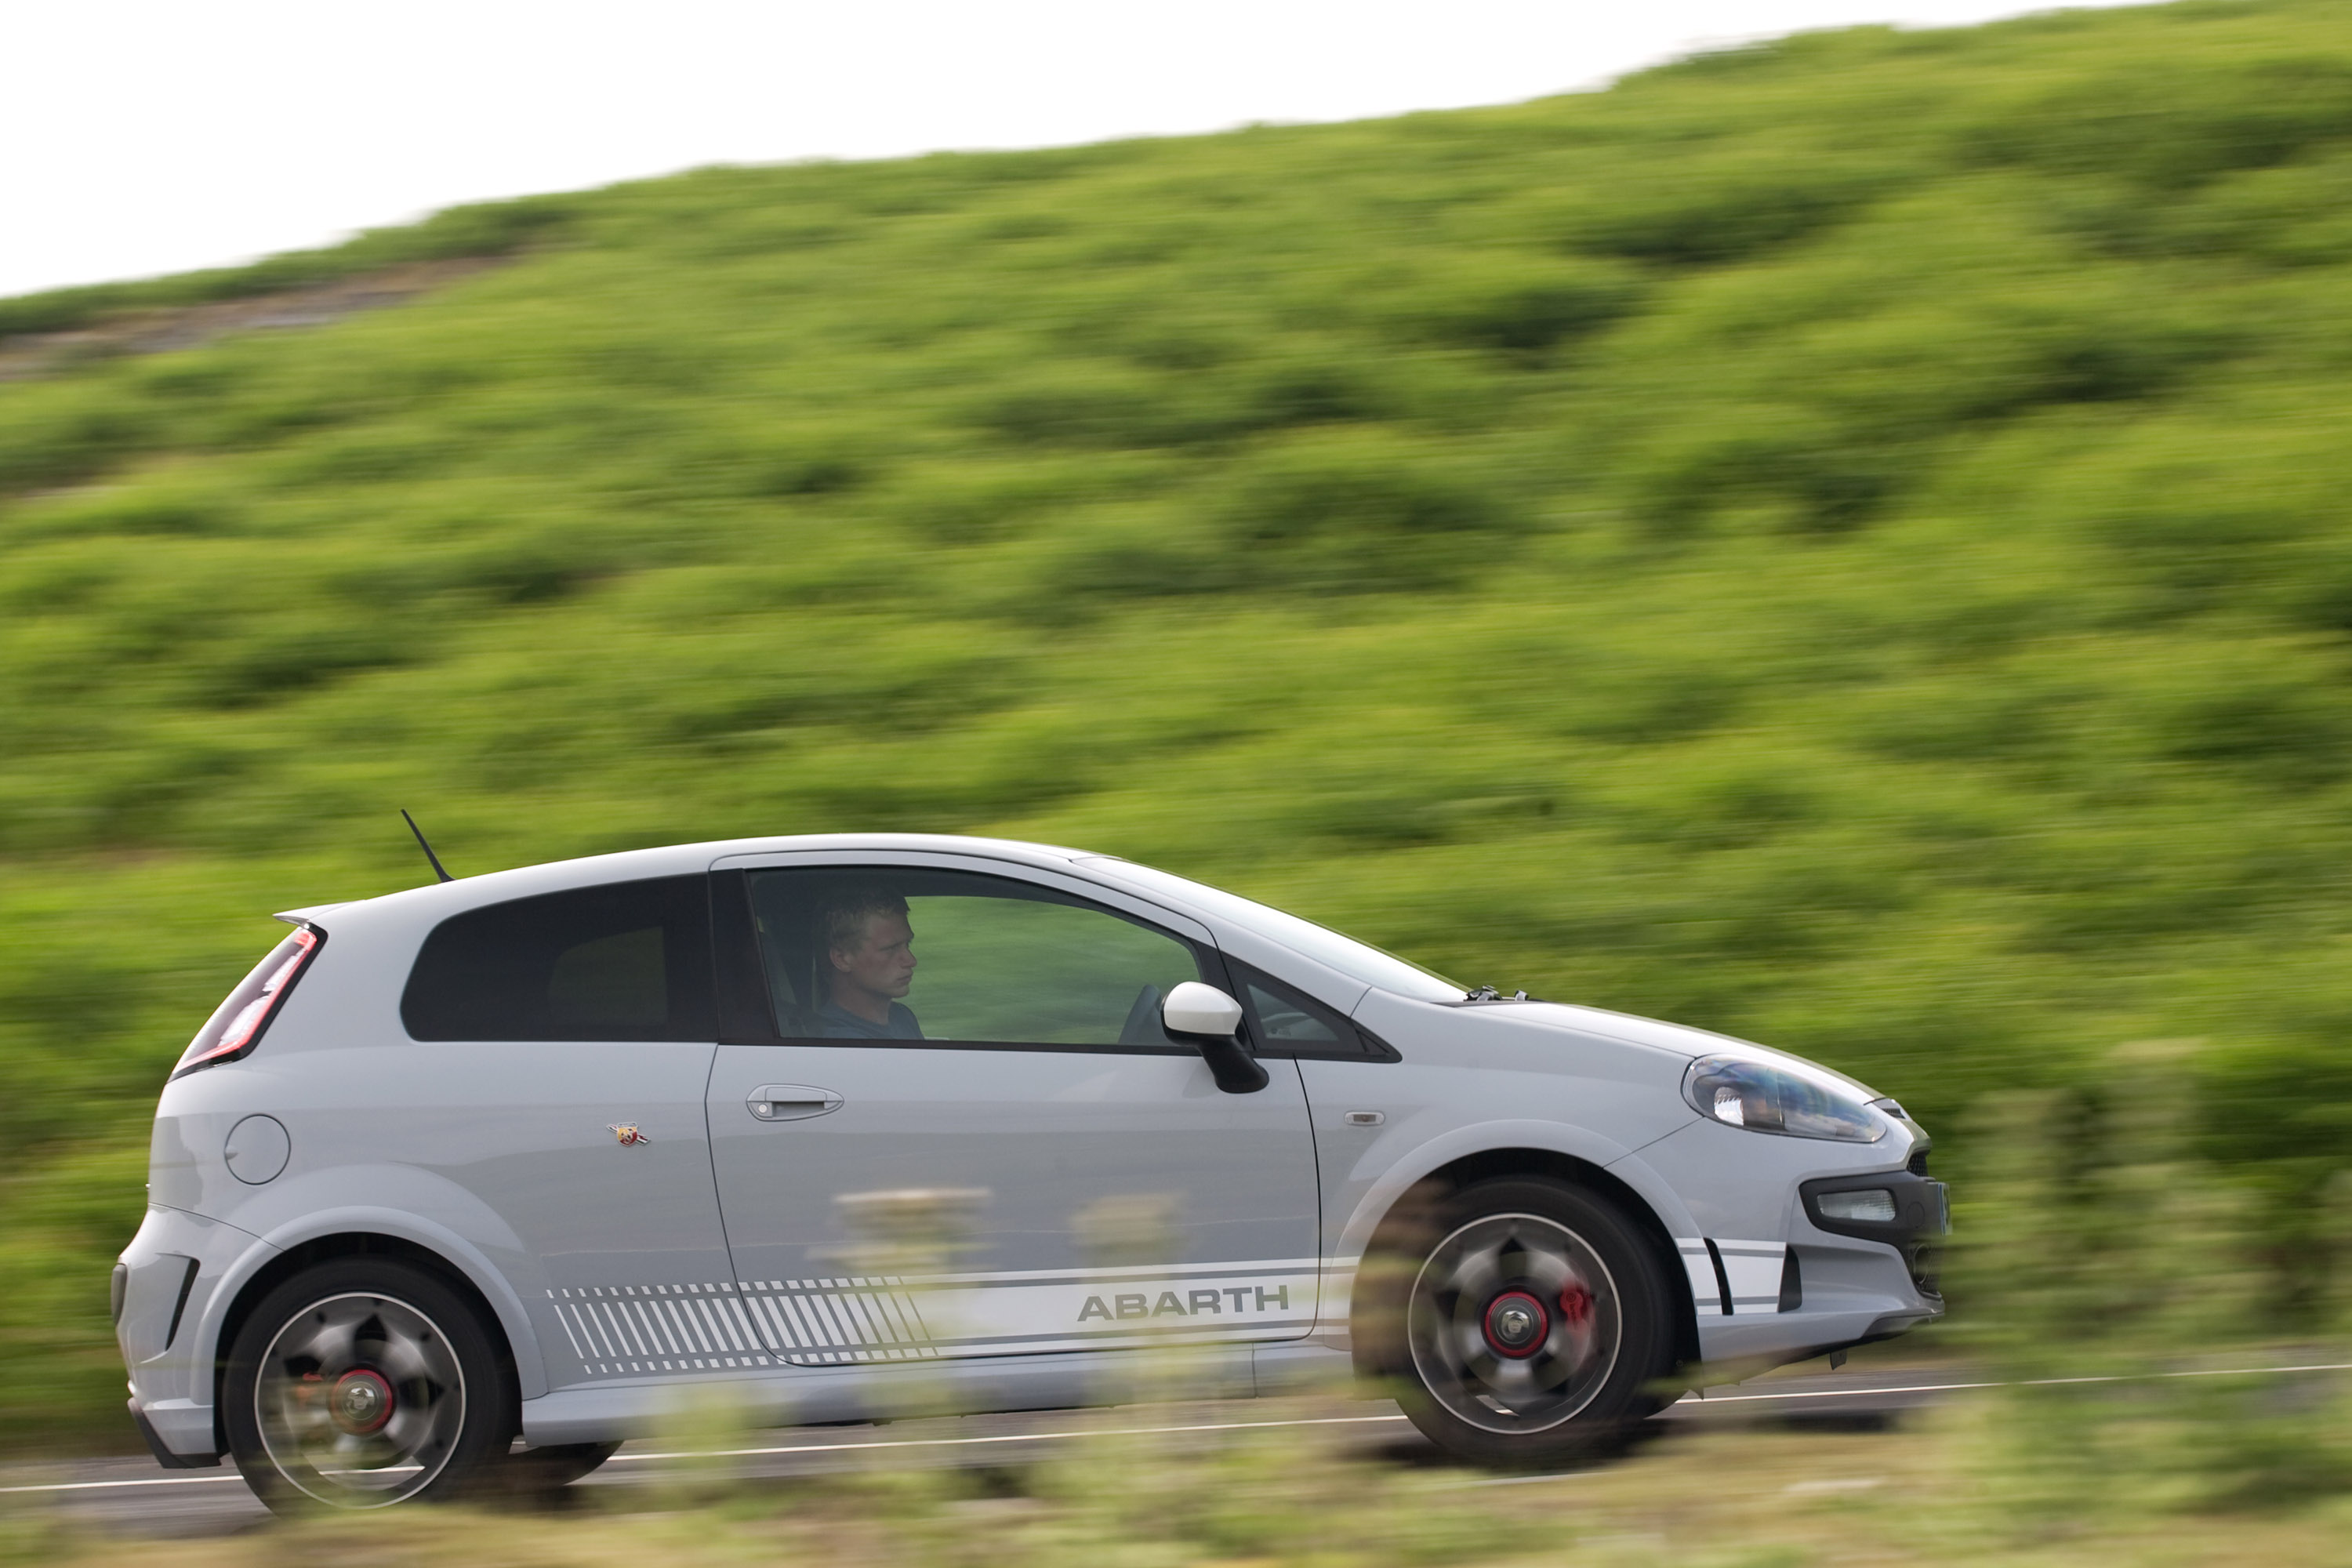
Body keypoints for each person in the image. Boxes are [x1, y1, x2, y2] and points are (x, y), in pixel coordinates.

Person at [815, 886, 923, 1040]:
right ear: (842, 959)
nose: (911, 961)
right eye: (890, 949)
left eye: (907, 945)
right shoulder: (839, 1040)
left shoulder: (902, 1017)